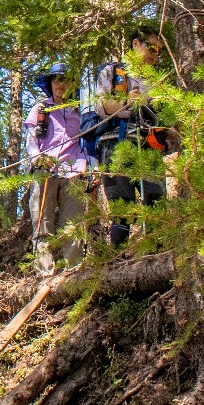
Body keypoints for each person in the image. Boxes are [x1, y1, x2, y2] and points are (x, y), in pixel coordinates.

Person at [86, 26, 175, 249]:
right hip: (116, 141)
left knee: (156, 198)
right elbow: (101, 105)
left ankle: (156, 253)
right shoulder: (112, 72)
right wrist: (127, 102)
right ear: (136, 44)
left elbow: (165, 114)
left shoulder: (157, 80)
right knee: (121, 202)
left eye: (159, 51)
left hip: (150, 144)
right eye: (151, 47)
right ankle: (119, 257)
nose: (155, 54)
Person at [23, 65, 90, 274]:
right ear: (50, 84)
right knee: (42, 224)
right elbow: (31, 141)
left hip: (74, 170)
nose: (61, 85)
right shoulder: (40, 109)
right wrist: (38, 159)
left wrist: (89, 167)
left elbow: (86, 141)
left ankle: (74, 272)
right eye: (57, 80)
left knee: (73, 225)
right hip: (45, 170)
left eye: (65, 80)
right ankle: (45, 272)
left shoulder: (79, 110)